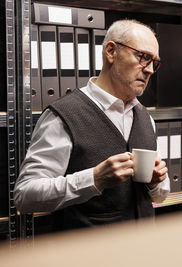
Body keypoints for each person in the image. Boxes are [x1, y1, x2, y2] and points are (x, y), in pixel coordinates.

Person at [15, 19, 170, 231]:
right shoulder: (63, 116)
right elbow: (25, 195)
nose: (150, 70)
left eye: (155, 62)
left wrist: (155, 183)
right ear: (111, 51)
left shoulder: (145, 118)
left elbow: (161, 195)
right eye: (143, 57)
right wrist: (94, 178)